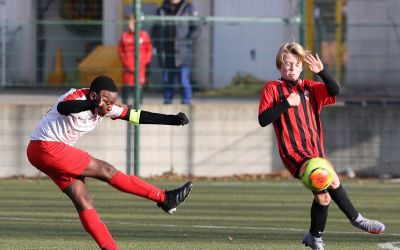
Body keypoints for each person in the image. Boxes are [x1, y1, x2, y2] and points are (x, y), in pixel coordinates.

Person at [26, 75, 192, 250]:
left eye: (113, 102)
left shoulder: (105, 107)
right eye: (108, 101)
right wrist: (93, 105)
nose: (111, 106)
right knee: (107, 170)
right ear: (94, 96)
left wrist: (172, 120)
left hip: (47, 153)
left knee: (83, 199)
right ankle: (164, 198)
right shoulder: (76, 97)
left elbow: (135, 115)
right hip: (46, 147)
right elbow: (64, 107)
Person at [258, 42, 385, 250]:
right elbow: (263, 119)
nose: (290, 69)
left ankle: (314, 236)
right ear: (280, 66)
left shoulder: (309, 87)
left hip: (315, 151)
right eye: (286, 64)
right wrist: (286, 103)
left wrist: (322, 72)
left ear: (301, 67)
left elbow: (334, 89)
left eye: (294, 65)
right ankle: (356, 219)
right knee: (325, 179)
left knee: (325, 196)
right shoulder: (273, 88)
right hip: (293, 152)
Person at [152, 0, 200, 104]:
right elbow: (155, 29)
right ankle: (167, 103)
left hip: (183, 52)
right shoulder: (161, 9)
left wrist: (188, 41)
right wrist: (156, 44)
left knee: (184, 80)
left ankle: (186, 103)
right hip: (166, 52)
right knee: (167, 80)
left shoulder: (188, 8)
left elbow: (196, 28)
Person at [118, 14, 153, 104]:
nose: (130, 25)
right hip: (128, 68)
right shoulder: (124, 36)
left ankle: (139, 104)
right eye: (129, 23)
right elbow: (120, 51)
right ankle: (124, 104)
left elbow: (149, 50)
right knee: (127, 86)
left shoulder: (144, 35)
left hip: (140, 68)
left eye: (132, 23)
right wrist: (127, 63)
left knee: (139, 86)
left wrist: (143, 62)